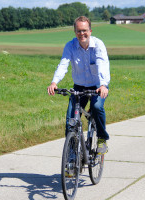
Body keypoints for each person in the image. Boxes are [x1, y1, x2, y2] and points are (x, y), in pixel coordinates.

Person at [47, 16, 110, 154]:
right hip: (79, 87)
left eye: (84, 30)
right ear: (75, 32)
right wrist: (54, 82)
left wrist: (104, 84)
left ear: (90, 31)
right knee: (71, 119)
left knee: (97, 106)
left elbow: (102, 65)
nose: (82, 34)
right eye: (78, 31)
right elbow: (63, 64)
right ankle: (71, 156)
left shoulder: (98, 45)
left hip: (98, 86)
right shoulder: (70, 46)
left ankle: (101, 138)